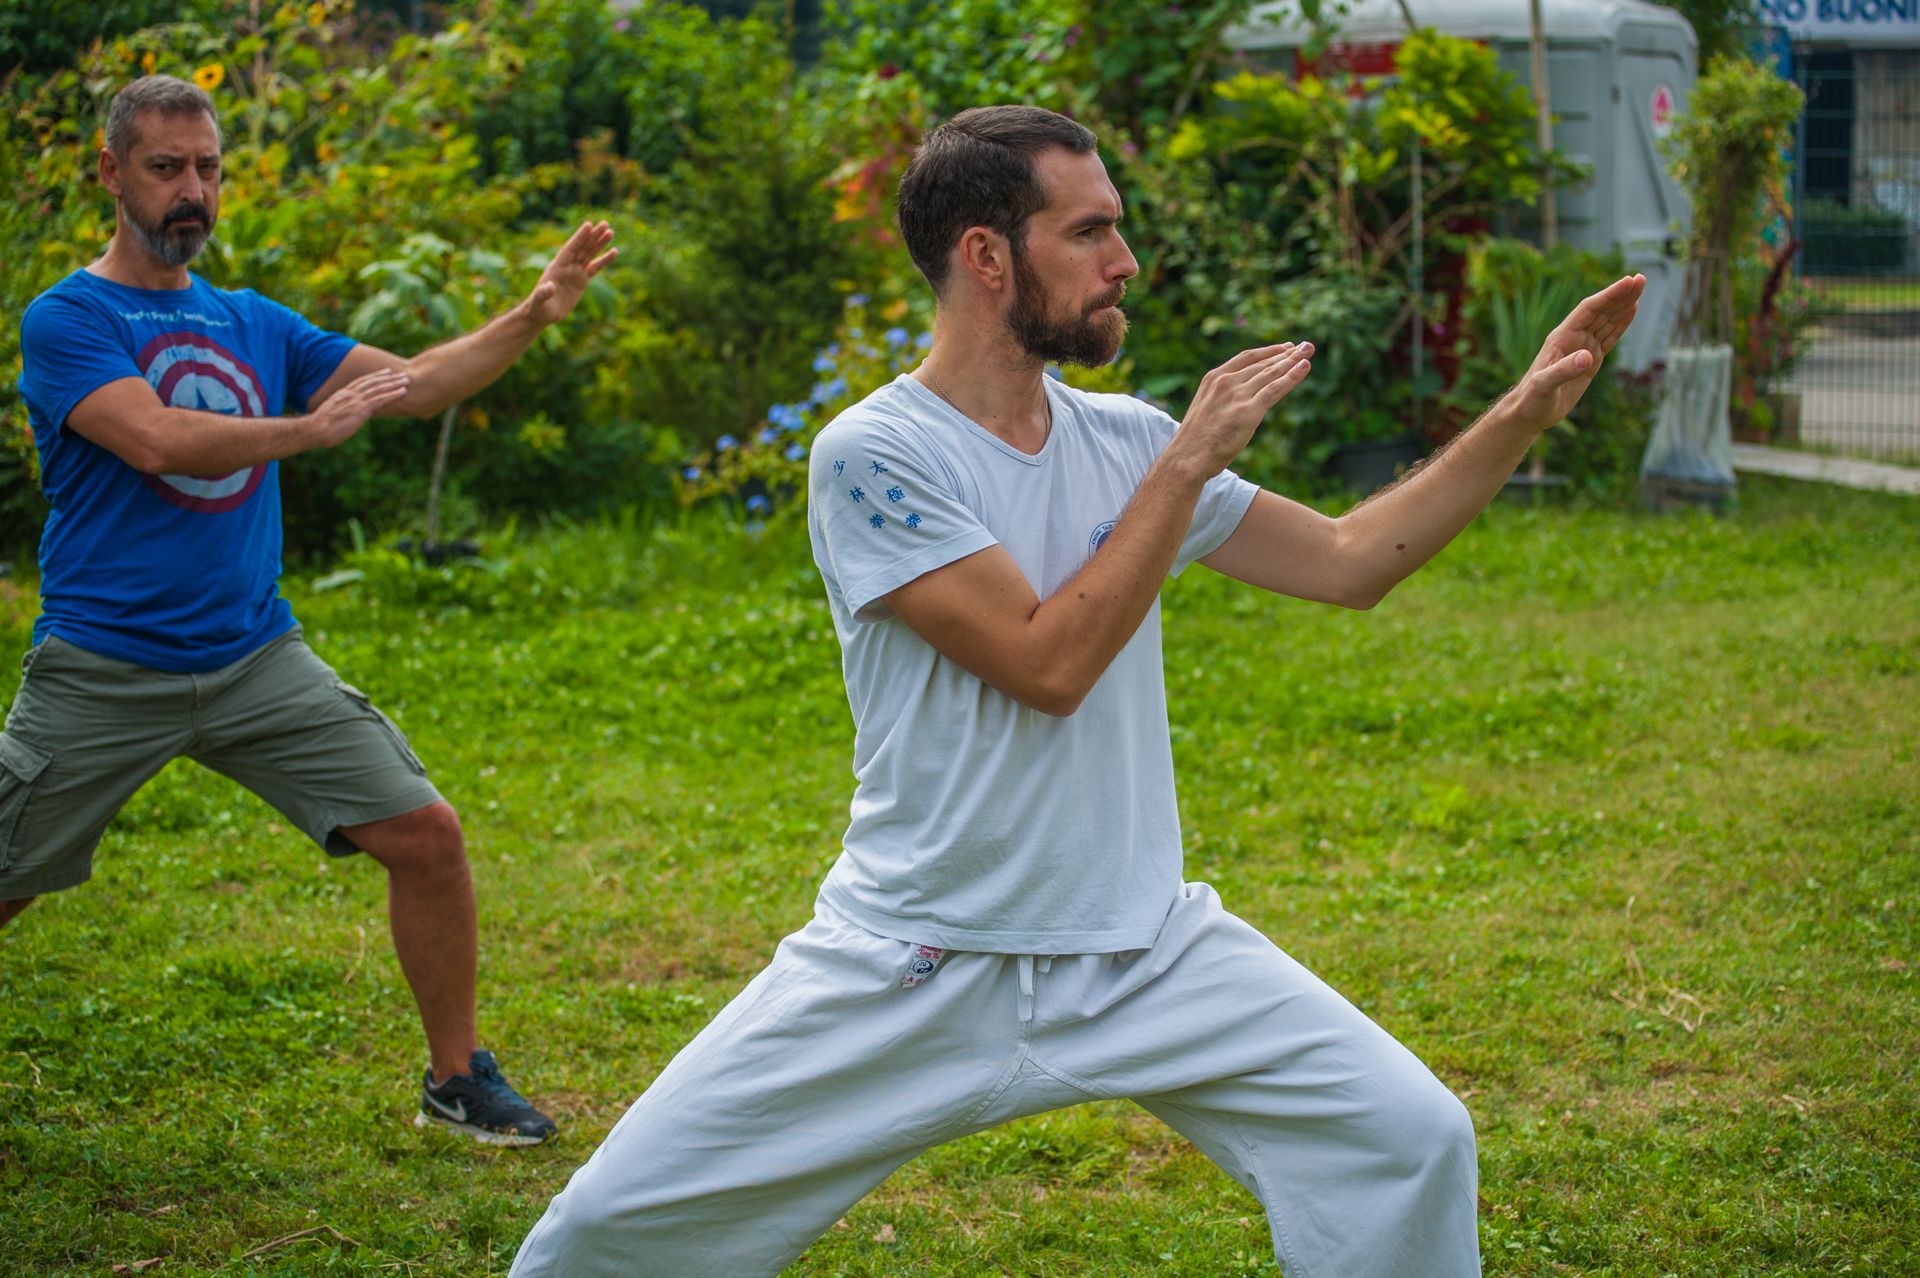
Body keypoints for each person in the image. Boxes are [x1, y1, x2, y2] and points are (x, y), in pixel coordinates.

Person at [510, 106, 1643, 1274]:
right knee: (603, 1241)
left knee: (1411, 1139)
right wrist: (1188, 463)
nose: (1126, 263)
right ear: (987, 256)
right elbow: (1048, 663)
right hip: (919, 960)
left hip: (1143, 950)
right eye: (1090, 232)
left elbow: (1354, 564)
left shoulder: (1129, 441)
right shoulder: (874, 455)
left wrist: (1520, 415)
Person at [1, 75, 618, 1146]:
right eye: (166, 169)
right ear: (111, 174)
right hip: (105, 665)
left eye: (208, 169)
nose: (192, 191)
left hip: (252, 659)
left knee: (425, 834)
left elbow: (416, 385)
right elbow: (154, 439)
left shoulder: (251, 322)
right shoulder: (70, 318)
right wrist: (309, 431)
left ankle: (455, 1078)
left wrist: (530, 314)